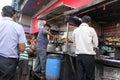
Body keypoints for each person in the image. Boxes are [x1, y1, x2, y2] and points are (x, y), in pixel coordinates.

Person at [0, 6, 26, 80]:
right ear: (14, 15)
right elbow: (22, 48)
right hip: (8, 62)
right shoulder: (18, 27)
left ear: (2, 14)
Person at [72, 15, 98, 80]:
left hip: (79, 56)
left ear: (82, 21)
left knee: (79, 75)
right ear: (89, 22)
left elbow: (74, 44)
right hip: (89, 56)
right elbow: (96, 44)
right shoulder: (91, 30)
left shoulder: (75, 30)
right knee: (90, 76)